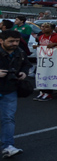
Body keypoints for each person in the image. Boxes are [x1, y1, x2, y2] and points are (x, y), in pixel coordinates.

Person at [0, 30, 32, 158]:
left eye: (17, 41)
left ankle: (7, 146)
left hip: (10, 89)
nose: (14, 44)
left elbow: (27, 64)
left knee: (8, 118)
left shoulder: (20, 52)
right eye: (11, 41)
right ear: (1, 41)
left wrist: (24, 72)